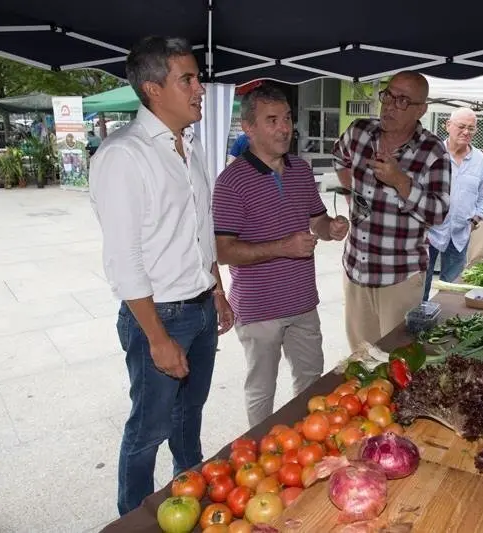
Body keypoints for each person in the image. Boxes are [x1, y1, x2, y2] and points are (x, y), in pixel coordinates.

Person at [89, 35, 235, 516]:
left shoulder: (190, 146)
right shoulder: (123, 155)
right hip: (160, 317)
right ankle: (132, 519)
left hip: (200, 307)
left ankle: (189, 503)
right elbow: (124, 260)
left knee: (189, 418)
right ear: (153, 89)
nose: (200, 89)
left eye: (198, 79)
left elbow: (200, 230)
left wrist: (217, 290)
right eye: (187, 80)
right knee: (148, 431)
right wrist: (156, 338)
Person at [213, 83, 350, 427]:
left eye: (287, 118)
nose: (284, 128)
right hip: (259, 309)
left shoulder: (301, 170)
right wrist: (282, 247)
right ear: (248, 127)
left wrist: (331, 228)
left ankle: (306, 440)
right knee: (262, 389)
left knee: (311, 381)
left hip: (303, 302)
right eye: (272, 120)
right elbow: (223, 251)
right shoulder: (231, 181)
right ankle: (260, 449)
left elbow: (316, 220)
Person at [332, 71, 451, 351]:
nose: (389, 106)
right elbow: (339, 157)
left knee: (398, 360)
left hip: (399, 277)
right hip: (356, 271)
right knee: (361, 359)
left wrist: (400, 182)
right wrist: (352, 195)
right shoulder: (359, 132)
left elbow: (438, 214)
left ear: (421, 110)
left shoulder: (433, 152)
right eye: (388, 96)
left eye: (402, 101)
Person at [423, 107, 483, 301]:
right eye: (461, 126)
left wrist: (474, 220)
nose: (466, 132)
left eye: (471, 128)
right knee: (420, 285)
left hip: (460, 234)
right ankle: (418, 316)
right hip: (429, 232)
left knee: (451, 290)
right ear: (448, 125)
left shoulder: (479, 160)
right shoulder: (432, 154)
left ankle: (446, 318)